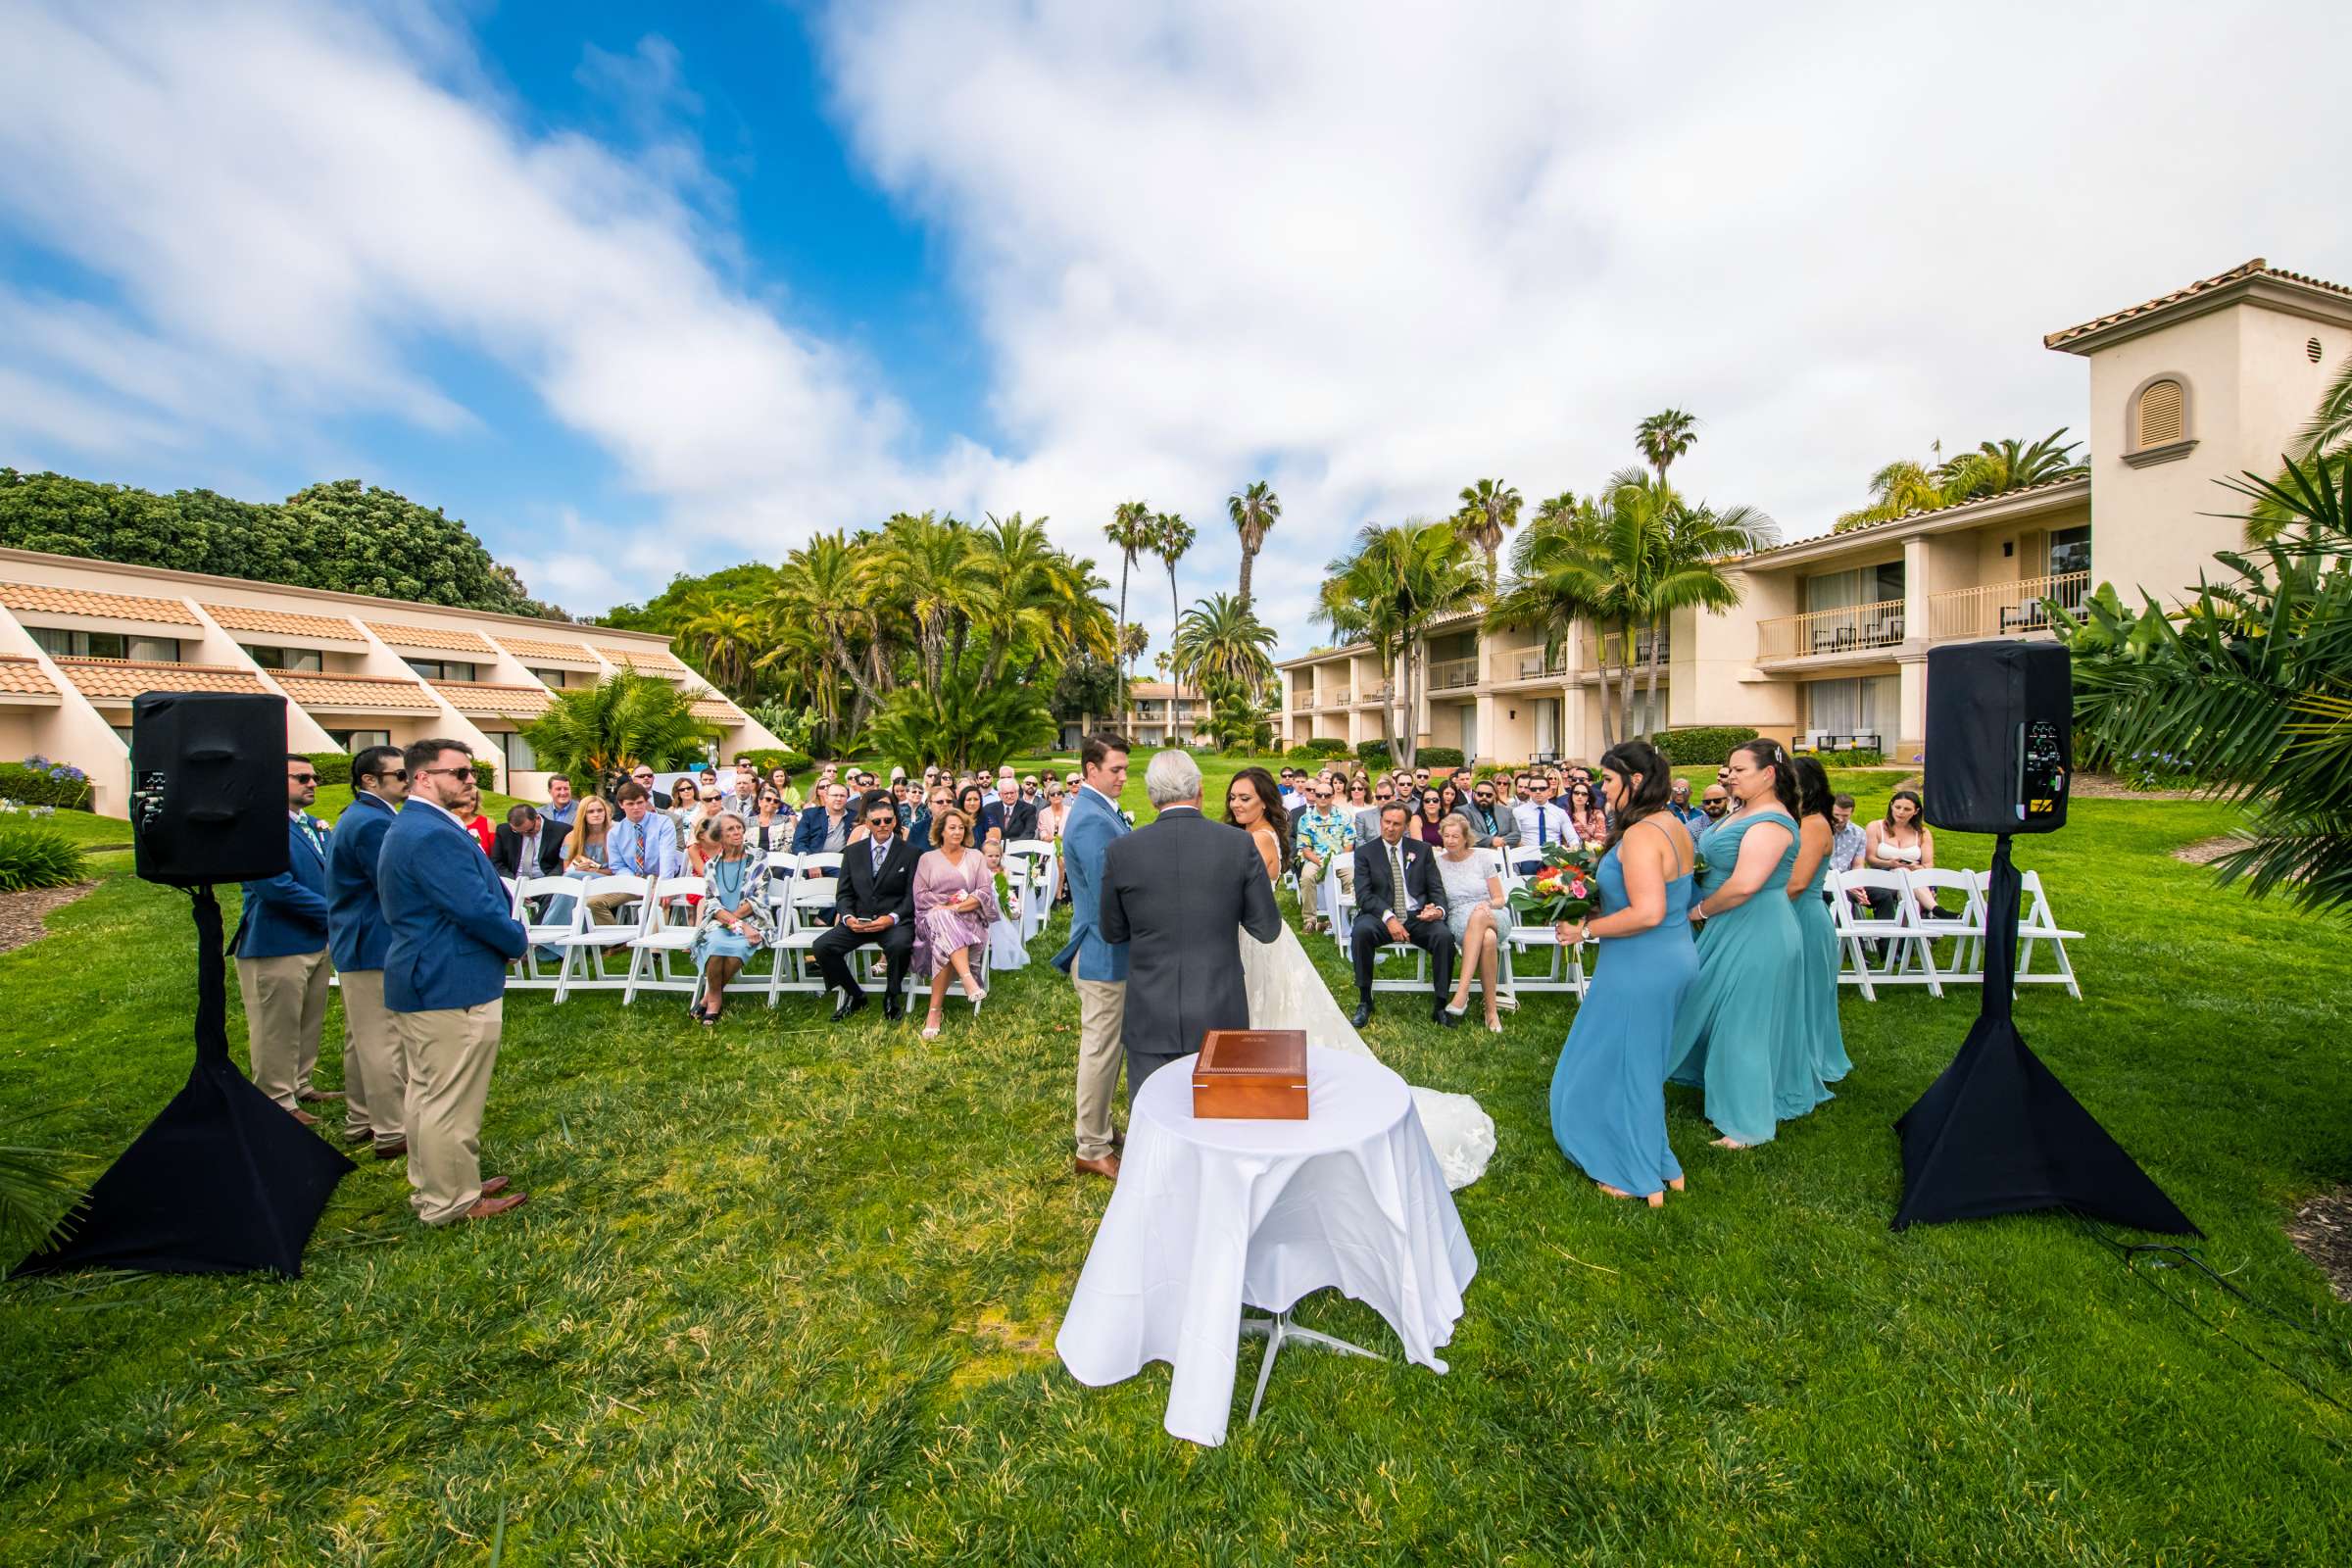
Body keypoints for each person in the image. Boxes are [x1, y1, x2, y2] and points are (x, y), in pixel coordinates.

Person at [1223, 768, 1496, 1189]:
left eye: (1245, 798)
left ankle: (1271, 1083)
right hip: (1268, 932)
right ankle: (1265, 1079)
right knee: (1270, 1002)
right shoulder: (1255, 835)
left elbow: (1245, 895)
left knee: (1269, 1002)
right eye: (1233, 798)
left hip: (1256, 931)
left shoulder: (1258, 839)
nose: (1236, 805)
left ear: (1263, 800)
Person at [378, 738, 530, 1224]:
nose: (470, 781)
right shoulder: (430, 834)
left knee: (427, 1091)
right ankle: (452, 1201)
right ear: (422, 778)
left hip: (430, 974)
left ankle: (442, 1184)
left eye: (472, 773)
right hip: (448, 979)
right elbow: (474, 908)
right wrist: (516, 938)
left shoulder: (421, 826)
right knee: (449, 1098)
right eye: (460, 773)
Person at [1548, 740, 1699, 1205]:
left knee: (1622, 1066)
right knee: (1637, 1064)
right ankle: (1659, 1161)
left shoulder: (1640, 835)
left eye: (1608, 780)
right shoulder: (1671, 823)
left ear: (1634, 781)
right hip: (1668, 955)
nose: (1600, 788)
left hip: (1642, 962)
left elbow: (1648, 911)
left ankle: (1635, 1175)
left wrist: (1586, 929)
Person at [1668, 740, 1826, 1149]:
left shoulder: (1772, 822)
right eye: (1730, 769)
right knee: (1710, 1006)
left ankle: (1746, 1125)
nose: (1730, 776)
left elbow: (1744, 885)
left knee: (1743, 1022)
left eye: (1739, 770)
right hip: (1731, 924)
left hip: (1758, 927)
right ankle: (1716, 1084)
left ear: (1768, 774)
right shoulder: (1744, 811)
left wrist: (1697, 912)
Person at [1099, 752, 1281, 1092]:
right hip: (1219, 1005)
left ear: (1153, 797)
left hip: (1150, 1009)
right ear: (1199, 789)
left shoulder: (1122, 850)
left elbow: (1112, 930)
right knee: (1221, 1119)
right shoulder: (1238, 844)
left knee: (1153, 1119)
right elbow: (1267, 928)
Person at [234, 755, 337, 1122]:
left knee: (308, 1018)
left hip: (315, 939)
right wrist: (335, 912)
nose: (312, 784)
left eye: (314, 778)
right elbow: (276, 888)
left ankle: (301, 1083)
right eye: (302, 778)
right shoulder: (259, 828)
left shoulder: (313, 826)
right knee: (275, 1025)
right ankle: (276, 1100)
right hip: (276, 941)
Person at [1051, 733, 1132, 1182]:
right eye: (1115, 769)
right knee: (1100, 1049)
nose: (1123, 776)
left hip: (1109, 947)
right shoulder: (1091, 821)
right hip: (1104, 950)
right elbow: (1111, 895)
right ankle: (1092, 1147)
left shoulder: (1100, 810)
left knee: (1109, 1046)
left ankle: (1099, 1125)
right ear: (1090, 770)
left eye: (1124, 768)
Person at [324, 745, 407, 1158]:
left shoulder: (362, 816)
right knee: (383, 1038)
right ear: (370, 781)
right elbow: (392, 884)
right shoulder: (372, 822)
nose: (408, 781)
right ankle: (392, 1129)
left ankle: (361, 1118)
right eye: (400, 775)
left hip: (359, 939)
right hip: (372, 940)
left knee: (362, 1037)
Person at [810, 792, 921, 1022]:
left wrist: (891, 918)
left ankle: (891, 995)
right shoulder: (853, 852)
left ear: (894, 821)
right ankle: (855, 994)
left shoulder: (911, 852)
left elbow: (912, 896)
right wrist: (848, 917)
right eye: (877, 822)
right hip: (859, 919)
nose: (883, 825)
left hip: (893, 920)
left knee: (901, 945)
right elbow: (844, 892)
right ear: (868, 824)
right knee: (822, 946)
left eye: (888, 820)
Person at [1348, 800, 1458, 1028]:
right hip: (1379, 915)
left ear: (1406, 826)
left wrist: (1438, 909)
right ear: (1380, 822)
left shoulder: (1422, 850)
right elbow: (1364, 895)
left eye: (1396, 824)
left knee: (1444, 937)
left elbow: (1436, 888)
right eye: (1386, 822)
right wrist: (1389, 918)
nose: (1390, 827)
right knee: (1361, 932)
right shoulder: (1365, 853)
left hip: (1416, 916)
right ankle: (1365, 1000)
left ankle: (1440, 1005)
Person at [1787, 757, 1853, 1087]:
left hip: (1804, 917)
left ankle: (1810, 1060)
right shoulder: (1798, 820)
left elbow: (1798, 883)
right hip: (1793, 913)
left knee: (1807, 995)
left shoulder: (1813, 824)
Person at [912, 808, 1000, 1039]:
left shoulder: (976, 857)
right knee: (940, 918)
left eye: (961, 827)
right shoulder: (927, 859)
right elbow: (920, 897)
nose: (958, 832)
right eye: (952, 827)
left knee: (945, 937)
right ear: (940, 831)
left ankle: (934, 1012)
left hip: (969, 920)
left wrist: (954, 907)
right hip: (931, 921)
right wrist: (945, 906)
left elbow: (984, 892)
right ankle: (968, 979)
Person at [687, 812, 774, 1025]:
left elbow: (758, 897)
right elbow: (712, 902)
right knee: (715, 944)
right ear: (719, 836)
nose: (737, 832)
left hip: (754, 920)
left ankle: (709, 998)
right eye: (730, 830)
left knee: (737, 949)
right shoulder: (711, 866)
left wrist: (737, 922)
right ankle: (715, 999)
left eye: (738, 828)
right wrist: (737, 924)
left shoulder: (758, 857)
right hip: (721, 921)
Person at [1434, 812, 1510, 1032]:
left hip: (1492, 913)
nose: (1450, 840)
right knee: (1487, 939)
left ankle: (1462, 992)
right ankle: (1491, 1012)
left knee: (1481, 919)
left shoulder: (1482, 859)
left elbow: (1499, 899)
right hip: (1459, 917)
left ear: (1465, 838)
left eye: (1455, 836)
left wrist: (1487, 906)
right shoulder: (1437, 864)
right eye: (1446, 836)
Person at [593, 782, 682, 923]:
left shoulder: (663, 823)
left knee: (659, 900)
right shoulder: (615, 833)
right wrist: (635, 883)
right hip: (632, 880)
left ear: (646, 801)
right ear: (621, 805)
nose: (636, 808)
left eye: (640, 802)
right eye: (630, 804)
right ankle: (620, 942)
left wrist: (664, 886)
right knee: (593, 902)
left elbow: (667, 857)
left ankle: (655, 944)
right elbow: (617, 866)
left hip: (660, 878)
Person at [1864, 789, 1942, 918]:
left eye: (1907, 809)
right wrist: (1890, 863)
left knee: (1906, 881)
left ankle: (1906, 934)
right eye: (1898, 807)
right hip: (1882, 877)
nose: (1901, 812)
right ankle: (1935, 909)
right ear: (1891, 806)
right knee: (1903, 873)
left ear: (1916, 811)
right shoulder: (1875, 827)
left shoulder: (1922, 832)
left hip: (1913, 877)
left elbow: (1928, 865)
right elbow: (1870, 858)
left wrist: (1913, 867)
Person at [1293, 777, 1354, 935]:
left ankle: (1344, 918)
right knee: (1306, 876)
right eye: (1319, 794)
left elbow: (1349, 842)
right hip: (1316, 859)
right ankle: (1310, 920)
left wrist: (1338, 861)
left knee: (1352, 878)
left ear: (1333, 796)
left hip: (1340, 860)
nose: (1322, 798)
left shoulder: (1343, 816)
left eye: (1327, 795)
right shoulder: (1305, 819)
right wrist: (1320, 861)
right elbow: (1305, 847)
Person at [1512, 775, 1576, 872]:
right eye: (1534, 789)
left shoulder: (1559, 812)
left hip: (1554, 859)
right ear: (1529, 791)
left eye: (1542, 788)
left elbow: (1573, 839)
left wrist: (1571, 853)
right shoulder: (1518, 812)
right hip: (1528, 858)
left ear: (1549, 790)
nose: (1538, 791)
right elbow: (1515, 838)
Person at [493, 804, 564, 879]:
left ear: (537, 818)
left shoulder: (561, 831)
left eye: (529, 830)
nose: (525, 834)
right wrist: (512, 881)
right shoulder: (504, 830)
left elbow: (562, 864)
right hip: (514, 881)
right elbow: (496, 862)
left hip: (545, 881)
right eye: (518, 832)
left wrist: (546, 882)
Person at [793, 781, 855, 858]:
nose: (838, 799)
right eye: (835, 795)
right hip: (813, 859)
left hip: (840, 861)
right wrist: (810, 863)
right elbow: (799, 842)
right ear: (826, 797)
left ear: (847, 798)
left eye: (842, 796)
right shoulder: (811, 815)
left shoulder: (854, 817)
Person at [1464, 777, 1521, 858]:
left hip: (1504, 856)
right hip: (1477, 857)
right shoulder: (1463, 810)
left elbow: (1516, 834)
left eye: (1488, 795)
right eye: (1480, 794)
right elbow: (1466, 832)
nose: (1484, 797)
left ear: (1494, 795)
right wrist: (1492, 841)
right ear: (1474, 794)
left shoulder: (1507, 811)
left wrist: (1500, 842)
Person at [745, 787, 795, 855]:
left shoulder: (785, 820)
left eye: (776, 801)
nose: (772, 802)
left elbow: (790, 843)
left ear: (778, 805)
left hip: (778, 860)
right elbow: (744, 844)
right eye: (768, 799)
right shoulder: (748, 822)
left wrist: (774, 858)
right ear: (760, 802)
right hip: (753, 860)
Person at [1565, 779, 1609, 846]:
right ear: (1571, 795)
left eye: (1584, 794)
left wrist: (1591, 832)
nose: (1580, 796)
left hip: (1594, 851)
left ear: (1588, 797)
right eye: (1576, 793)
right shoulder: (1565, 815)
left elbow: (1601, 838)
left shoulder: (1597, 813)